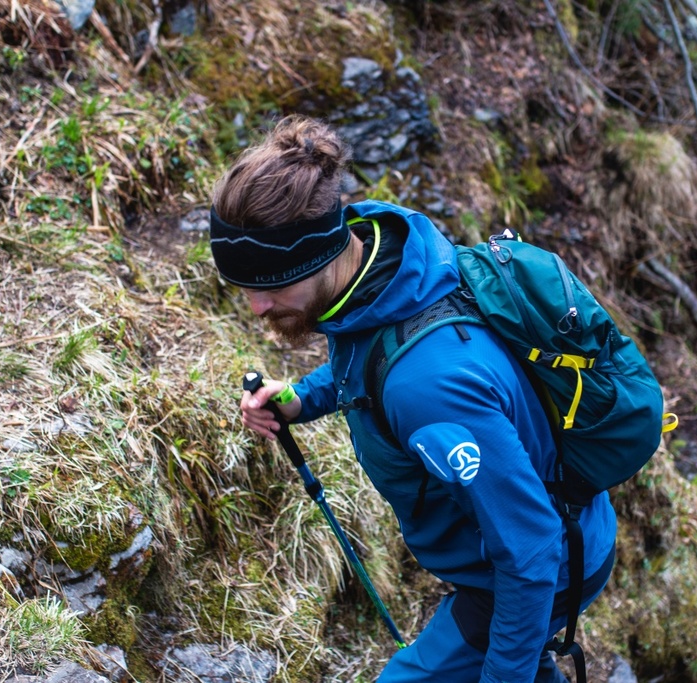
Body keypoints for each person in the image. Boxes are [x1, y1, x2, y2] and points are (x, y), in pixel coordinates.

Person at [210, 114, 616, 683]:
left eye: (271, 285)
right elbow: (371, 360)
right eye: (244, 287)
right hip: (529, 542)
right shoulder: (386, 269)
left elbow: (530, 554)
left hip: (539, 569)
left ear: (320, 255)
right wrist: (302, 398)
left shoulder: (429, 392)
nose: (256, 306)